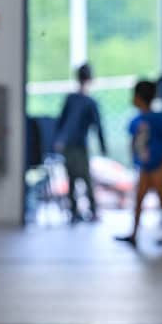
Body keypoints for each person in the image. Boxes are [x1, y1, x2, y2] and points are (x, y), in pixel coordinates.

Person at [115, 80, 162, 248]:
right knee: (138, 200)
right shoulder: (136, 120)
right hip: (144, 168)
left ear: (139, 98)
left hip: (159, 167)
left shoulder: (156, 118)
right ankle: (134, 234)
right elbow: (134, 140)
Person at [54, 63, 107, 223]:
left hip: (68, 145)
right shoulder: (89, 102)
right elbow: (98, 126)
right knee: (84, 177)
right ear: (90, 79)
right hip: (78, 146)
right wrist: (103, 147)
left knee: (72, 177)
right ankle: (91, 210)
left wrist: (58, 140)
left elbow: (61, 122)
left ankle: (75, 211)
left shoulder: (71, 99)